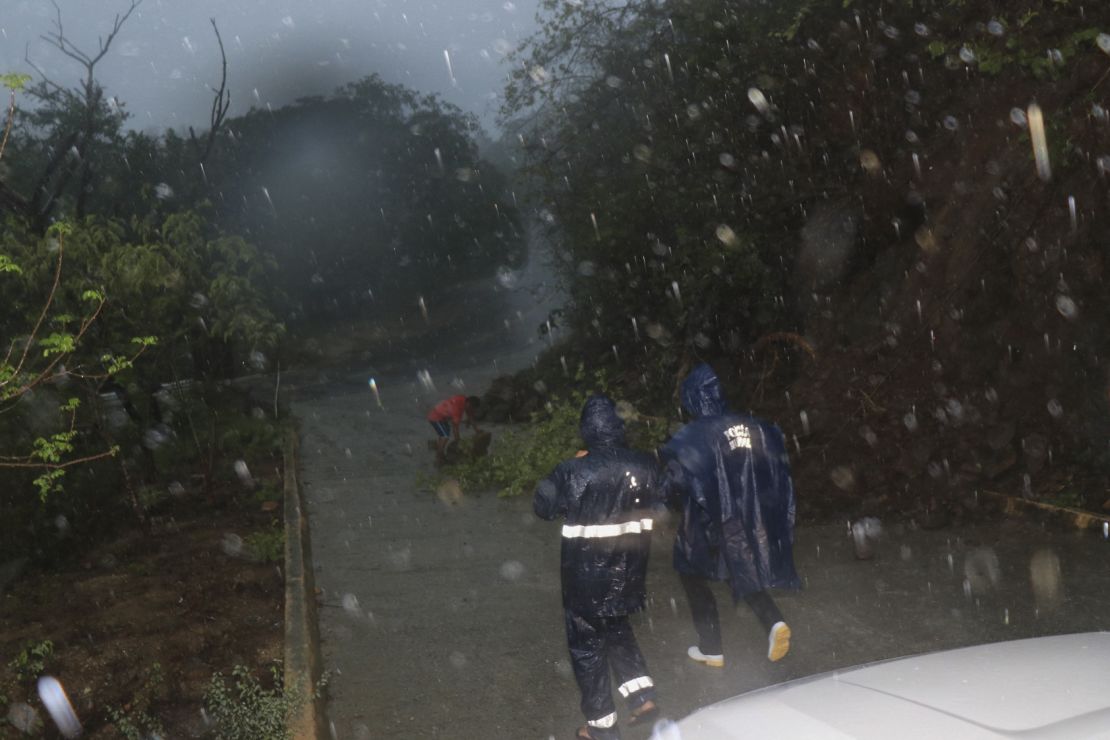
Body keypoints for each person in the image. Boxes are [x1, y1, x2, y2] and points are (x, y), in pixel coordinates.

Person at [534, 395, 661, 740]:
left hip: (585, 580)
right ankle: (643, 699)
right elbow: (663, 499)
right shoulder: (646, 465)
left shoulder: (573, 470)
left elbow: (543, 507)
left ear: (586, 430)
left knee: (587, 650)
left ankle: (600, 728)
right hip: (627, 576)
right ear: (618, 427)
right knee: (618, 631)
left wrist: (568, 469)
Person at [660, 363, 800, 667]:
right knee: (741, 566)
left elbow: (677, 483)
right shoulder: (755, 427)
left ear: (693, 399)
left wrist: (664, 497)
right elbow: (774, 468)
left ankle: (711, 649)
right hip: (746, 517)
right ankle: (774, 622)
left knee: (692, 575)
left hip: (705, 519)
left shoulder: (691, 437)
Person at [426, 394, 482, 465]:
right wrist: (458, 442)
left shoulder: (463, 399)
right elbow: (455, 429)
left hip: (442, 416)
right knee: (445, 435)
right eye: (472, 409)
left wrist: (477, 430)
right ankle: (439, 457)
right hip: (435, 417)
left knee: (444, 433)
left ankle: (439, 450)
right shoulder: (457, 410)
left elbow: (470, 416)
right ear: (469, 404)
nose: (472, 411)